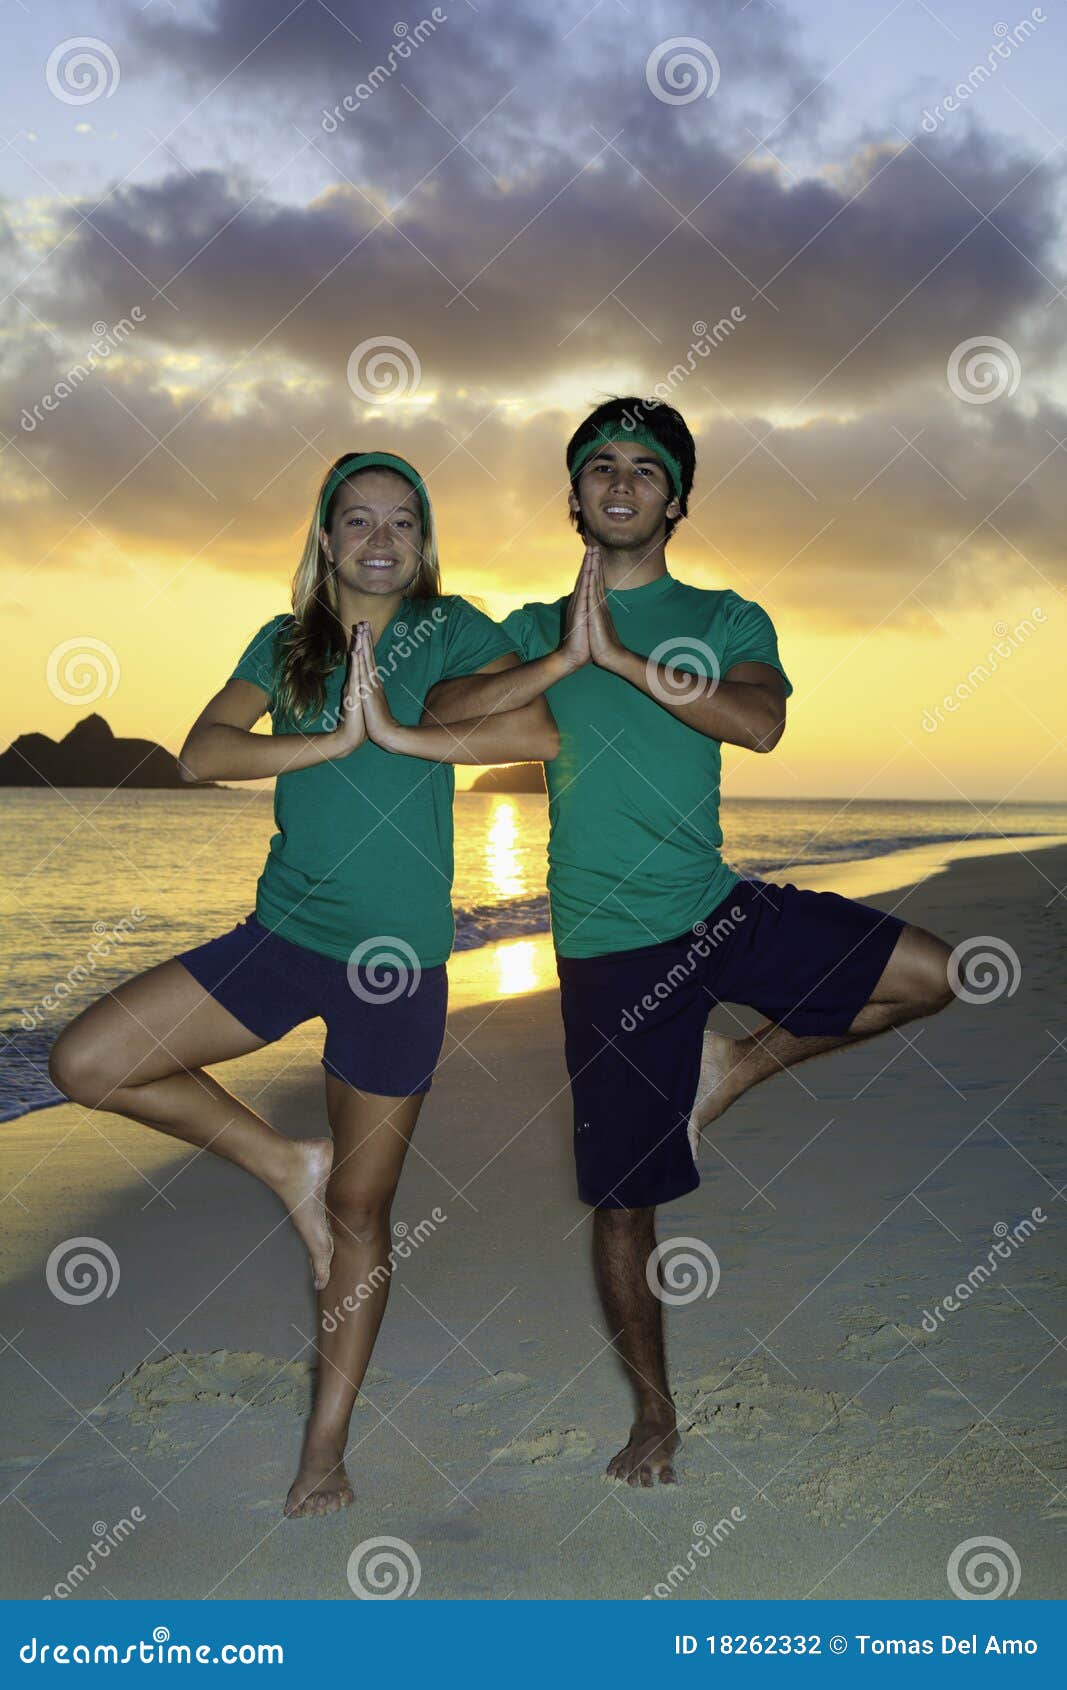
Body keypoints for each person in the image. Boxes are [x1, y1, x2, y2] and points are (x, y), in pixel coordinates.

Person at [420, 399, 956, 1488]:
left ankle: (732, 1063)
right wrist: (561, 657)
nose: (621, 483)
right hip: (608, 951)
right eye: (599, 467)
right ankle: (653, 1416)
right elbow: (445, 711)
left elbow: (756, 722)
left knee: (935, 973)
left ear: (677, 496)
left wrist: (618, 661)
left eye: (644, 469)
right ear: (571, 495)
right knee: (626, 1202)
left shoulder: (722, 615)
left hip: (714, 908)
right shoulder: (525, 621)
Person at [48, 449, 558, 1518]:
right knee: (87, 1060)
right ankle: (284, 1161)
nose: (379, 538)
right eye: (358, 519)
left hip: (397, 963)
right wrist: (331, 741)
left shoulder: (454, 627)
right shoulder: (286, 644)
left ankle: (324, 1448)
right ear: (324, 538)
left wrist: (402, 732)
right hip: (281, 936)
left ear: (423, 542)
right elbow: (201, 753)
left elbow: (532, 728)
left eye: (401, 521)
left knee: (364, 1213)